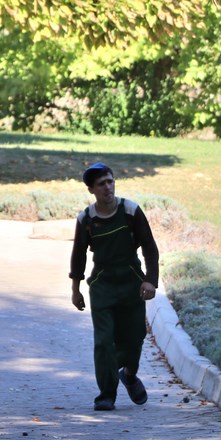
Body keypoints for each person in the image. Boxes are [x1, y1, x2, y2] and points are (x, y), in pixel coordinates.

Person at [69, 162, 159, 412]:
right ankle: (106, 394)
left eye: (110, 181)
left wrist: (150, 280)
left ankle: (128, 375)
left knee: (135, 338)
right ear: (91, 190)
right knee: (103, 341)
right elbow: (78, 256)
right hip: (103, 286)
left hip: (132, 284)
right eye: (101, 184)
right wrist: (75, 289)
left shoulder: (130, 211)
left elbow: (150, 248)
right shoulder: (86, 219)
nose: (107, 187)